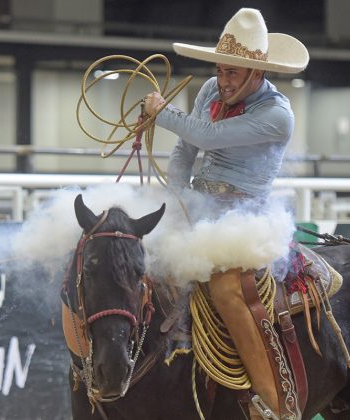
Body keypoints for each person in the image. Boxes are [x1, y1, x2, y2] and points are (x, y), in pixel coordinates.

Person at [144, 8, 309, 420]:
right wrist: (177, 199)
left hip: (245, 216)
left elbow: (205, 135)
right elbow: (186, 149)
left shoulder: (276, 115)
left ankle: (272, 401)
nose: (224, 81)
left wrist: (160, 112)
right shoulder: (210, 93)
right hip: (200, 206)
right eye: (220, 70)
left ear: (257, 73)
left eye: (233, 73)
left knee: (226, 289)